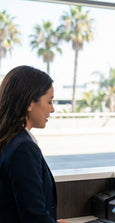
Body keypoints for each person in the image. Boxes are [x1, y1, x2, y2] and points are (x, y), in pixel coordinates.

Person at [0, 66, 70, 223]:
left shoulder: (7, 141)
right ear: (30, 103)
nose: (52, 109)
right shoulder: (23, 148)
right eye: (49, 101)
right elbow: (34, 217)